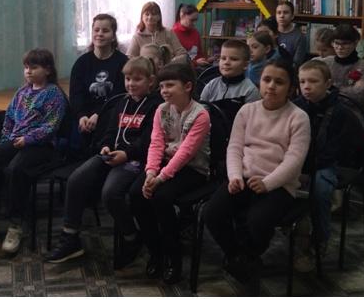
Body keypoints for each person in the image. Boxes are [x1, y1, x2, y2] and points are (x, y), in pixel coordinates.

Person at [203, 59, 310, 292]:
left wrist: (268, 183)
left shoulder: (298, 117)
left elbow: (294, 160)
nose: (271, 86)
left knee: (258, 221)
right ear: (259, 82)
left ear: (291, 88)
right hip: (243, 177)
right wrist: (234, 176)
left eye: (279, 82)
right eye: (266, 80)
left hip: (279, 183)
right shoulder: (247, 110)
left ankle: (249, 256)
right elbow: (234, 147)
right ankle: (237, 257)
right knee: (212, 213)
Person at [45, 57, 163, 264]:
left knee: (110, 193)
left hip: (134, 160)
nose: (131, 84)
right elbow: (110, 132)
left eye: (137, 79)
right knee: (76, 180)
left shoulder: (156, 107)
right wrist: (105, 146)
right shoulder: (121, 103)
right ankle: (70, 238)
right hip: (111, 154)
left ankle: (131, 237)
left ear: (151, 81)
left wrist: (126, 154)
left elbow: (148, 141)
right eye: (127, 79)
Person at [0, 49, 67, 254]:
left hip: (41, 145)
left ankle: (16, 224)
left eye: (34, 67)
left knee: (15, 170)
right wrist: (5, 142)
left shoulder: (54, 94)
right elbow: (9, 119)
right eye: (26, 67)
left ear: (47, 70)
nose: (28, 71)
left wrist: (28, 139)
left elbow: (51, 126)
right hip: (15, 140)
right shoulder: (22, 92)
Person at [129, 62, 211, 285]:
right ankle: (155, 251)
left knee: (162, 197)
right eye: (162, 86)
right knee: (136, 193)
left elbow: (186, 153)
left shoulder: (200, 114)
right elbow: (156, 143)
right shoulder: (161, 110)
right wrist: (150, 172)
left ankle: (173, 257)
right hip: (164, 164)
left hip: (193, 169)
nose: (164, 90)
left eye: (170, 85)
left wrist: (161, 178)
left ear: (187, 86)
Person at [292, 60, 362, 272]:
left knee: (320, 190)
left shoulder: (341, 112)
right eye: (302, 81)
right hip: (296, 162)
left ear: (328, 83)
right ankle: (295, 235)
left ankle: (320, 238)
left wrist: (308, 170)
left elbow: (340, 148)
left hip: (326, 164)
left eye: (313, 81)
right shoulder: (295, 106)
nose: (307, 86)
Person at [70, 13, 129, 156]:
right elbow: (76, 95)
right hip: (85, 116)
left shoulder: (122, 62)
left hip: (110, 115)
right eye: (96, 30)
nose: (100, 34)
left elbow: (120, 96)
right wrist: (82, 115)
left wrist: (99, 115)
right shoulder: (81, 63)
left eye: (105, 30)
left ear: (113, 36)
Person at [320, 23, 364, 107]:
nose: (340, 47)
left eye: (345, 43)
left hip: (352, 110)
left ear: (355, 43)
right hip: (323, 107)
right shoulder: (324, 63)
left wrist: (330, 90)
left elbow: (358, 95)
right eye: (336, 43)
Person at [201, 39, 260, 103]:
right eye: (223, 58)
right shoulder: (211, 85)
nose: (226, 62)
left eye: (234, 59)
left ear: (245, 65)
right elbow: (201, 107)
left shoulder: (250, 90)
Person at [172, 3, 214, 67]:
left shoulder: (195, 32)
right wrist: (195, 63)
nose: (194, 23)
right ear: (182, 16)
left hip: (197, 68)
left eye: (196, 20)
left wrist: (207, 59)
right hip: (183, 69)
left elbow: (199, 53)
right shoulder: (173, 33)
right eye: (192, 20)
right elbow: (175, 59)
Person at [276, 1, 308, 67]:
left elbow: (296, 63)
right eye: (279, 13)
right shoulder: (271, 33)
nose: (282, 16)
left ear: (292, 16)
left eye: (286, 12)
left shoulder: (300, 37)